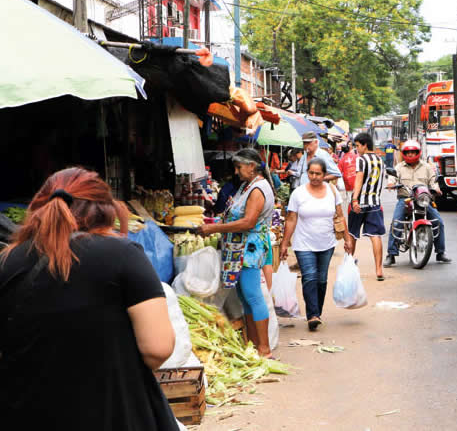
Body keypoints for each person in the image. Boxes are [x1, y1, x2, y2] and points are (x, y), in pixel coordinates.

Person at [0, 167, 179, 430]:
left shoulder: (7, 261)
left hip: (27, 414)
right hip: (112, 412)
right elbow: (157, 348)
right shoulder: (123, 254)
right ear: (105, 209)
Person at [198, 148, 275, 358]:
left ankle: (264, 349)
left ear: (251, 166)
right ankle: (252, 345)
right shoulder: (248, 186)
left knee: (253, 295)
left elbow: (248, 222)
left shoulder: (258, 189)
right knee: (245, 297)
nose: (237, 171)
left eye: (239, 167)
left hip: (249, 250)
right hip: (239, 248)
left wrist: (214, 229)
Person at [280, 158, 352, 331]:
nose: (314, 177)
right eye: (311, 173)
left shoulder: (332, 191)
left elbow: (340, 216)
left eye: (318, 173)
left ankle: (316, 312)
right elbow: (291, 219)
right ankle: (312, 314)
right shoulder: (298, 193)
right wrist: (284, 243)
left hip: (326, 243)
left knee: (321, 279)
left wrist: (348, 238)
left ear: (324, 174)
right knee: (310, 276)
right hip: (303, 243)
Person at [384, 140, 452, 267]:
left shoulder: (427, 167)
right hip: (405, 199)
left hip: (423, 199)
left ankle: (440, 252)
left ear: (418, 153)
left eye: (413, 152)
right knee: (397, 222)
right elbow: (392, 179)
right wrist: (391, 184)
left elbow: (433, 181)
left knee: (438, 222)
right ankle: (391, 254)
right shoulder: (399, 167)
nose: (410, 155)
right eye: (408, 152)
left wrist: (436, 189)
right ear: (404, 153)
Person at [348, 133, 386, 281]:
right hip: (375, 203)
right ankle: (378, 270)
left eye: (357, 146)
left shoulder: (361, 160)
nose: (357, 149)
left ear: (365, 145)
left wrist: (355, 200)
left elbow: (358, 180)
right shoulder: (380, 160)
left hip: (361, 202)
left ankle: (349, 265)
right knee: (375, 235)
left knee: (352, 234)